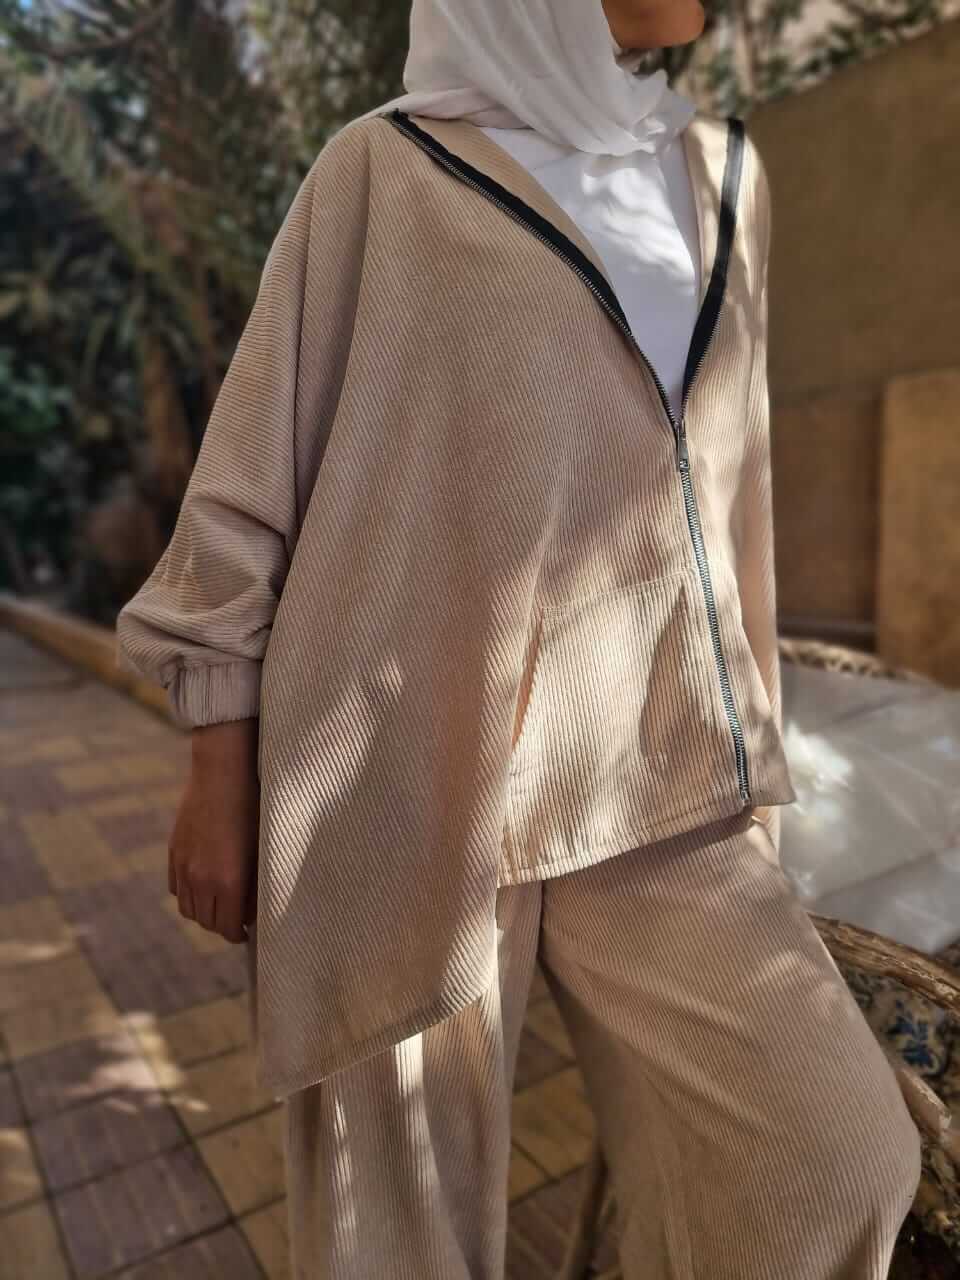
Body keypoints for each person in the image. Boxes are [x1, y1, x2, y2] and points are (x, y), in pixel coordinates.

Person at [116, 1, 922, 1276]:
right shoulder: (382, 173)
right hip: (402, 776)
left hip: (657, 775)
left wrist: (750, 734)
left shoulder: (727, 175)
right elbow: (250, 477)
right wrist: (219, 759)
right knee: (395, 1238)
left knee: (836, 1160)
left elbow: (739, 485)